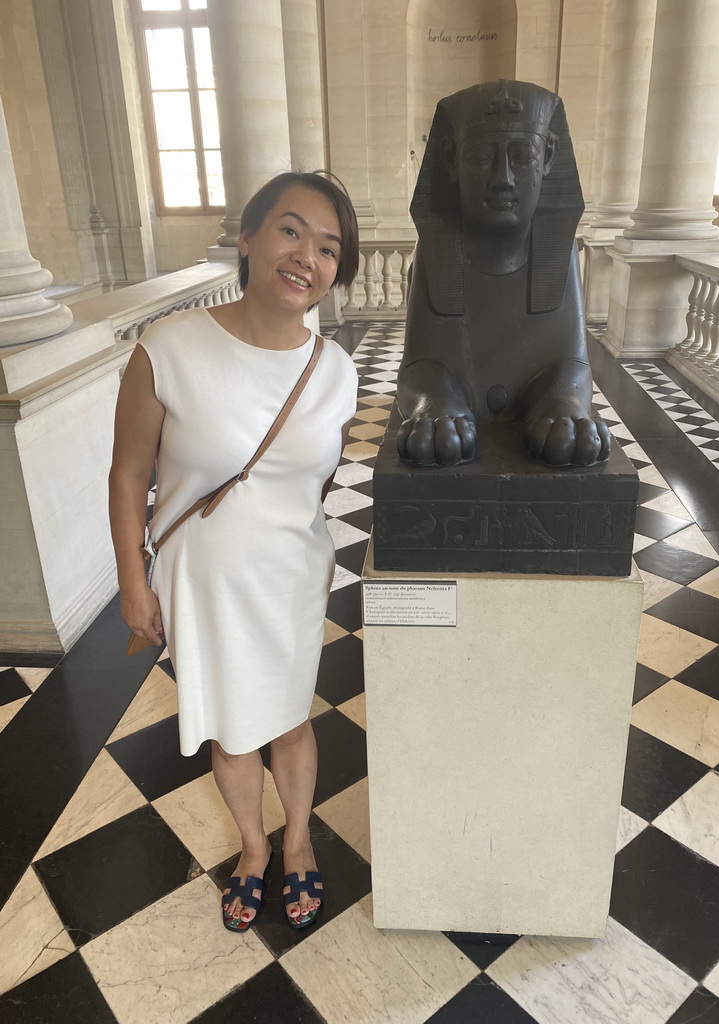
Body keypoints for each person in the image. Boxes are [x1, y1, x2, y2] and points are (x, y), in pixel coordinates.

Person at [108, 171, 360, 931]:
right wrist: (132, 582)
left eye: (327, 247)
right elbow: (128, 472)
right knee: (229, 724)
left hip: (290, 576)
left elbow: (310, 484)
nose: (305, 256)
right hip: (201, 581)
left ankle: (298, 840)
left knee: (287, 718)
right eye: (290, 231)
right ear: (247, 239)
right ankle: (254, 849)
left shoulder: (336, 372)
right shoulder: (169, 347)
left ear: (334, 272)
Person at [397, 80, 611, 468]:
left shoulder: (559, 253)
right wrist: (435, 402)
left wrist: (564, 401)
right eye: (481, 156)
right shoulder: (435, 255)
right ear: (450, 160)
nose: (503, 178)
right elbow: (421, 366)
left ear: (548, 157)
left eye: (522, 155)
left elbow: (569, 363)